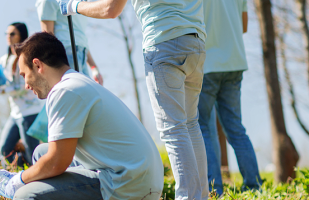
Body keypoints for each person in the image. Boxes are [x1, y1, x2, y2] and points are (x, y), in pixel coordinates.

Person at [0, 32, 163, 199]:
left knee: (26, 196)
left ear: (38, 65)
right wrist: (25, 177)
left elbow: (57, 162)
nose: (26, 85)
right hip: (137, 173)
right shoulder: (77, 82)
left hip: (127, 182)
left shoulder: (65, 91)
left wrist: (20, 179)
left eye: (25, 75)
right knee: (41, 152)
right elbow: (54, 156)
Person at [61, 0, 208, 199]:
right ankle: (201, 195)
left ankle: (189, 197)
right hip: (195, 42)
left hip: (164, 42)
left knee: (174, 129)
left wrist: (74, 6)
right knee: (190, 124)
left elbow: (110, 9)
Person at [199, 0, 261, 195]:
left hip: (207, 64)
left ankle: (214, 190)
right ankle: (254, 187)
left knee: (203, 128)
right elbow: (243, 26)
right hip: (235, 61)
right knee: (236, 129)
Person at [0, 22, 43, 167]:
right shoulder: (4, 59)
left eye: (12, 34)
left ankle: (39, 178)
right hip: (15, 113)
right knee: (4, 150)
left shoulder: (27, 57)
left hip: (30, 111)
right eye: (7, 34)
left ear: (21, 35)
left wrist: (2, 90)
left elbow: (24, 86)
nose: (8, 37)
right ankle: (26, 173)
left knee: (33, 152)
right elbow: (1, 80)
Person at [35, 0, 102, 85]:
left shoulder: (79, 2)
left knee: (85, 95)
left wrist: (94, 67)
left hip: (81, 53)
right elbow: (47, 38)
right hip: (65, 53)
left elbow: (79, 38)